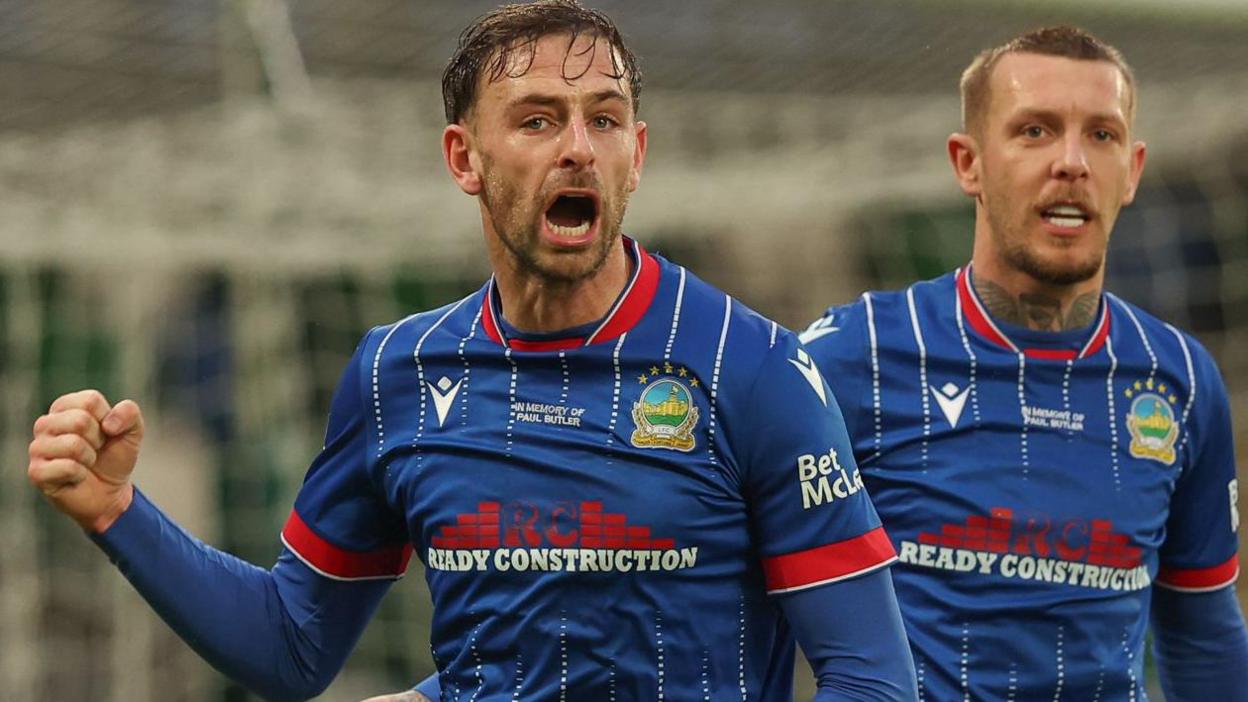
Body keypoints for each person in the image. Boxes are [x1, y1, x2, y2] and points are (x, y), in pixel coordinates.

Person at [26, 1, 918, 699]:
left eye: (603, 120)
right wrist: (117, 512)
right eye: (537, 121)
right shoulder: (395, 375)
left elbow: (875, 677)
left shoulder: (752, 368)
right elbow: (290, 647)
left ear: (637, 154)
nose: (577, 148)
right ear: (465, 157)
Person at [798, 26, 1248, 701]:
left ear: (1134, 170)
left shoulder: (1179, 380)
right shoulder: (847, 357)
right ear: (967, 163)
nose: (1072, 162)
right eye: (1035, 131)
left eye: (1101, 135)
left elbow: (1204, 631)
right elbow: (733, 592)